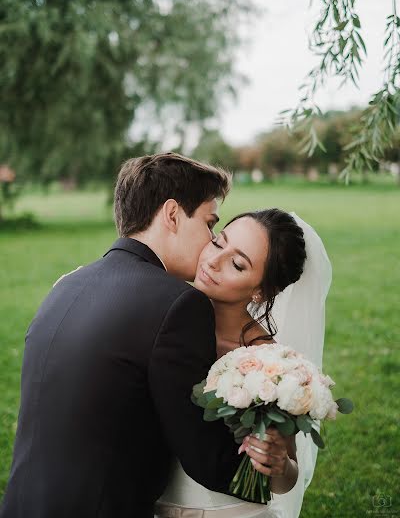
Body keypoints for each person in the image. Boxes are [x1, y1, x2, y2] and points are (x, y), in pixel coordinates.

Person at [0, 153, 275, 518]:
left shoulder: (66, 285)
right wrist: (272, 473)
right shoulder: (179, 304)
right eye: (210, 224)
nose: (210, 241)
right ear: (173, 214)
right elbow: (207, 459)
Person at [156, 209, 331, 518]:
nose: (213, 261)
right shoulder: (163, 311)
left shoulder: (268, 362)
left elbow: (285, 479)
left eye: (237, 264)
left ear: (260, 291)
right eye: (218, 243)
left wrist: (277, 462)